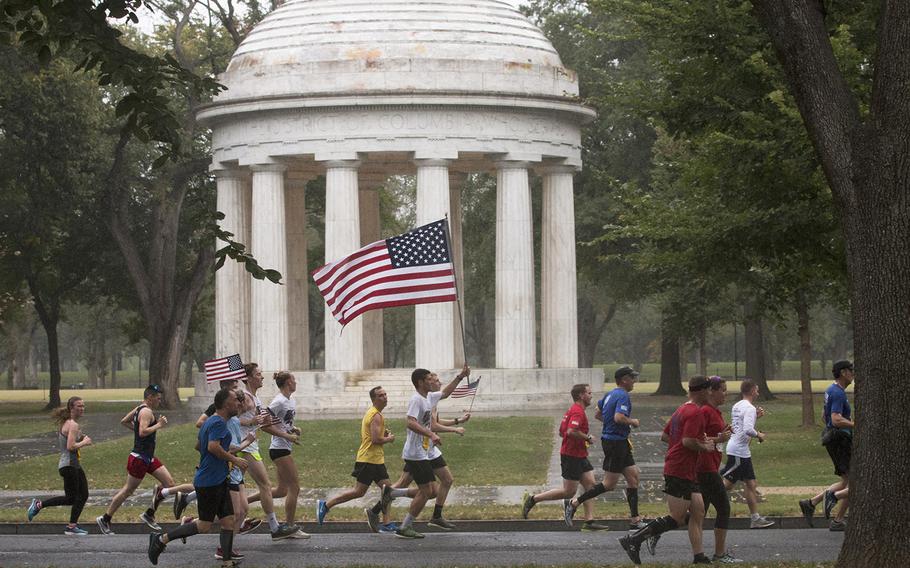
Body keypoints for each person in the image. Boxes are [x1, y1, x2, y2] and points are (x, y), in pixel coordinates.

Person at [147, 388, 249, 568]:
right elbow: (212, 447)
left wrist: (225, 455)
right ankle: (161, 539)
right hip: (209, 482)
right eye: (235, 400)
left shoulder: (210, 422)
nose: (239, 403)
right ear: (226, 404)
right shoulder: (218, 423)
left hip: (218, 479)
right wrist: (234, 460)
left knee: (228, 521)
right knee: (203, 526)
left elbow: (199, 446)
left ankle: (227, 562)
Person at [619, 376, 716, 565]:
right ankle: (633, 540)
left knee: (698, 511)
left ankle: (699, 556)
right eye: (710, 390)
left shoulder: (682, 409)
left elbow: (665, 436)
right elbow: (687, 441)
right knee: (677, 517)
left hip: (686, 468)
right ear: (702, 391)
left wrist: (683, 445)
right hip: (679, 469)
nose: (711, 393)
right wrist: (705, 447)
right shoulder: (695, 412)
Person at [376, 374, 472, 532]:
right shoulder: (416, 400)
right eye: (429, 379)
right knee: (428, 491)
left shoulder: (429, 397)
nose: (436, 382)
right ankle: (404, 525)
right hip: (417, 452)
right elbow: (411, 423)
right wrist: (433, 433)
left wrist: (460, 376)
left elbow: (446, 394)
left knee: (443, 482)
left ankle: (396, 497)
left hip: (427, 450)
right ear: (420, 383)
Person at [96, 384, 193, 534]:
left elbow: (124, 421)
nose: (160, 401)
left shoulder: (139, 408)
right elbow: (142, 432)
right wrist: (159, 425)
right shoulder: (146, 411)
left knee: (169, 484)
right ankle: (105, 519)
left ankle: (149, 513)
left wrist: (138, 429)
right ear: (150, 397)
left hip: (148, 457)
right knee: (128, 490)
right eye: (158, 398)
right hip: (139, 458)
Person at [522, 384, 609, 532]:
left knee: (590, 486)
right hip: (571, 456)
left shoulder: (573, 410)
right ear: (581, 395)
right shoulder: (577, 412)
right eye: (589, 393)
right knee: (569, 492)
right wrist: (587, 437)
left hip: (580, 455)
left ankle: (589, 521)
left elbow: (562, 432)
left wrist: (579, 439)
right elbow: (570, 431)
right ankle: (533, 499)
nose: (591, 395)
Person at [564, 366, 643, 529]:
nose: (634, 381)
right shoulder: (622, 396)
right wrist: (632, 422)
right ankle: (574, 503)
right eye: (632, 378)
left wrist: (610, 425)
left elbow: (598, 413)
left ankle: (635, 520)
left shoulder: (611, 394)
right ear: (624, 380)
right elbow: (619, 417)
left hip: (620, 441)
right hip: (615, 444)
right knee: (609, 484)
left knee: (633, 478)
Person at [229, 363, 298, 540]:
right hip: (244, 447)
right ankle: (275, 528)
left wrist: (287, 431)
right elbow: (228, 419)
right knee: (266, 485)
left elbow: (265, 424)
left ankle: (193, 512)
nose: (262, 377)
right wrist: (251, 421)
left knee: (229, 490)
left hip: (251, 446)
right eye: (258, 374)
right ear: (249, 378)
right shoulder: (244, 397)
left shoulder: (256, 399)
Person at [316, 386, 396, 529]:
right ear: (374, 399)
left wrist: (383, 435)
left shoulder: (375, 414)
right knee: (359, 492)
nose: (385, 397)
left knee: (388, 491)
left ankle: (385, 522)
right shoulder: (375, 415)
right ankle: (326, 505)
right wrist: (389, 439)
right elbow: (375, 440)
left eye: (385, 394)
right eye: (381, 395)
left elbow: (374, 437)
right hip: (368, 460)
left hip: (375, 459)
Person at [245, 371, 306, 537]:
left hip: (284, 447)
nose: (296, 382)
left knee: (281, 490)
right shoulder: (278, 401)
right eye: (293, 379)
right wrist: (287, 436)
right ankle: (289, 526)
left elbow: (281, 422)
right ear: (287, 383)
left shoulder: (289, 400)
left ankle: (244, 501)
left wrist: (292, 428)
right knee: (295, 487)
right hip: (279, 449)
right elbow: (264, 425)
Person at [799, 359, 854, 531]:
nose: (853, 374)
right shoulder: (838, 393)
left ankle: (812, 503)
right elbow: (836, 419)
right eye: (851, 370)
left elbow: (825, 416)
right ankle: (834, 497)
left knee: (847, 480)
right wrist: (855, 425)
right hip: (841, 441)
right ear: (843, 373)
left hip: (834, 440)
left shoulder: (830, 390)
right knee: (857, 482)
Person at [27, 396, 93, 535]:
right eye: (79, 406)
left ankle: (71, 526)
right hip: (69, 465)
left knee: (82, 495)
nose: (82, 409)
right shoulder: (72, 424)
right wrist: (84, 442)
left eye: (83, 406)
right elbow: (70, 447)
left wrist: (79, 437)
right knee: (72, 498)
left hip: (72, 465)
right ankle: (39, 505)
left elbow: (70, 440)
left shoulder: (69, 423)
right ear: (71, 408)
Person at [697, 376, 741, 564]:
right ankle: (720, 554)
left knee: (696, 514)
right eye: (722, 390)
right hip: (705, 468)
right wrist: (719, 439)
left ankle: (648, 532)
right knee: (724, 508)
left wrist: (724, 433)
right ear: (711, 391)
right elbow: (697, 438)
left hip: (711, 465)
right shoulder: (705, 411)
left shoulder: (715, 412)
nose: (725, 393)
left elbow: (718, 434)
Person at [721, 379, 773, 529]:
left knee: (751, 484)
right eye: (756, 390)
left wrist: (756, 415)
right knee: (726, 485)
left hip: (741, 450)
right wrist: (760, 435)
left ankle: (755, 518)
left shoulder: (738, 405)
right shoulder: (749, 408)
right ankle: (700, 496)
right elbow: (748, 430)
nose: (757, 392)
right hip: (738, 451)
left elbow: (740, 424)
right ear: (751, 391)